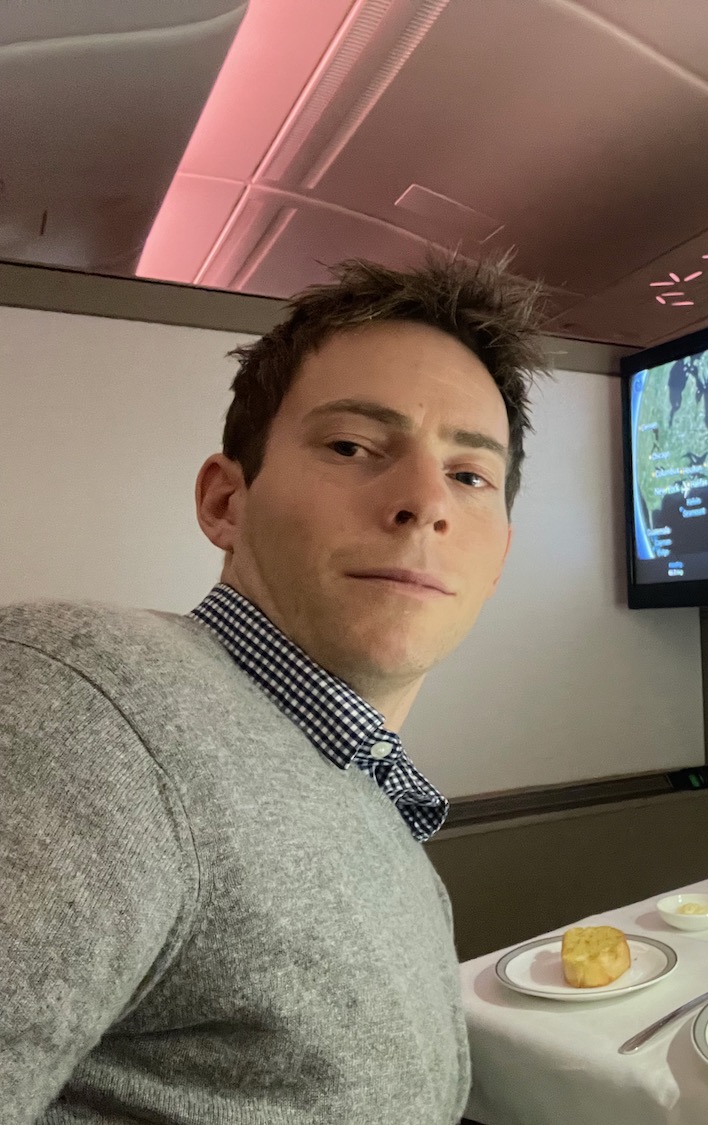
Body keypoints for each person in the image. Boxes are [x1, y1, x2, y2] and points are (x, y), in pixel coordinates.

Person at [0, 256, 549, 1123]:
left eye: (470, 476)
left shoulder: (365, 786)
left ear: (498, 558)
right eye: (352, 447)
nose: (424, 503)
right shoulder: (83, 704)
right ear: (227, 501)